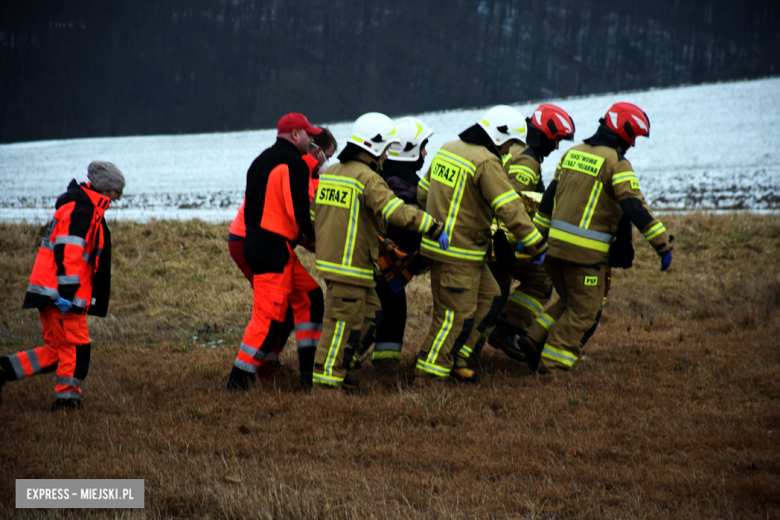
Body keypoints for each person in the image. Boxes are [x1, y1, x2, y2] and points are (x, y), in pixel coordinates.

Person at [518, 102, 673, 372]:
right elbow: (634, 206)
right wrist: (662, 245)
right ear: (623, 133)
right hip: (585, 258)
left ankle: (533, 340)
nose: (634, 145)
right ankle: (552, 365)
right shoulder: (617, 163)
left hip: (553, 252)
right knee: (585, 312)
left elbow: (548, 202)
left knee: (569, 302)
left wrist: (535, 240)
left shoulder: (572, 153)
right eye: (633, 137)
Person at [311, 112, 448, 391]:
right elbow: (395, 211)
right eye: (386, 149)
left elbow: (316, 215)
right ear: (374, 147)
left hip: (347, 263)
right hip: (349, 266)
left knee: (372, 313)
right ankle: (326, 384)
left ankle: (342, 366)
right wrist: (431, 226)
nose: (386, 156)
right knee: (340, 326)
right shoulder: (368, 179)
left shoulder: (332, 173)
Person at [415, 105, 548, 383]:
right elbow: (509, 208)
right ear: (500, 137)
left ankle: (458, 356)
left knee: (491, 297)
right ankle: (429, 377)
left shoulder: (448, 148)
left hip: (456, 251)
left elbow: (422, 192)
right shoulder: (486, 161)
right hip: (459, 254)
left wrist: (439, 223)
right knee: (452, 317)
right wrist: (537, 245)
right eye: (510, 144)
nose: (510, 151)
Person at [0, 161, 125, 411]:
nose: (119, 197)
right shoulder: (82, 212)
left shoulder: (81, 208)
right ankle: (67, 402)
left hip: (50, 291)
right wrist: (67, 293)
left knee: (58, 351)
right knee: (77, 349)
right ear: (104, 187)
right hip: (61, 295)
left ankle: (4, 369)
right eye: (116, 191)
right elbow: (69, 252)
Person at [226, 113, 325, 390]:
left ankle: (308, 373)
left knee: (310, 297)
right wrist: (315, 235)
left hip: (266, 245)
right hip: (272, 249)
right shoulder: (294, 164)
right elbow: (300, 213)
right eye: (308, 134)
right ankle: (239, 381)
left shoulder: (260, 161)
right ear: (295, 135)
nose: (310, 139)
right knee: (269, 318)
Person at [488, 104, 576, 362]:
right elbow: (511, 203)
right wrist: (508, 239)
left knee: (495, 294)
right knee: (541, 282)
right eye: (556, 140)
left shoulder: (516, 149)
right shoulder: (527, 161)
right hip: (502, 239)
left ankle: (468, 351)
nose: (557, 148)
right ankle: (507, 329)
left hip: (491, 235)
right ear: (543, 134)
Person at [368, 117, 434, 363]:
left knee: (393, 308)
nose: (426, 152)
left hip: (380, 260)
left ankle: (385, 360)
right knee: (380, 310)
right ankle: (349, 357)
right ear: (409, 150)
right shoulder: (408, 184)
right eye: (423, 146)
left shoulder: (380, 176)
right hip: (383, 261)